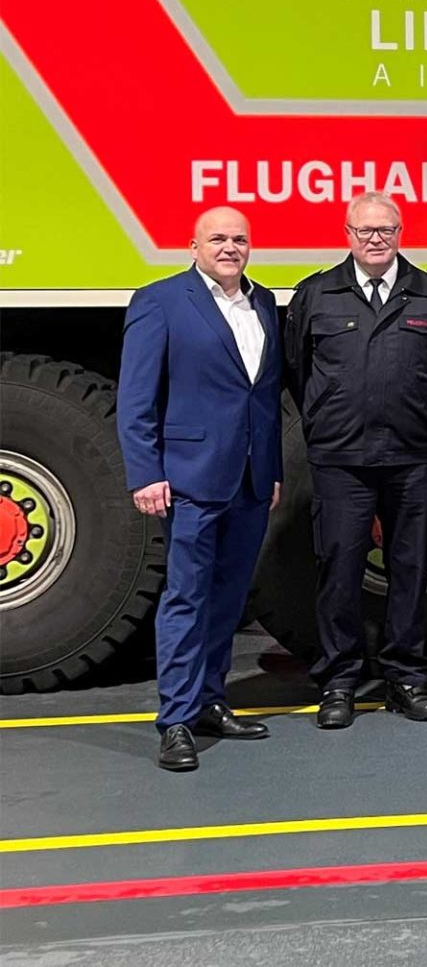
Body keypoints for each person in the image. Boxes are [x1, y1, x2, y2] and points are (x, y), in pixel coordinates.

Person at [284, 191, 427, 730]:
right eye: (365, 230)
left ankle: (406, 677)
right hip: (342, 460)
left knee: (411, 568)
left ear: (401, 231)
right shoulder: (316, 295)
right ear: (347, 234)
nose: (376, 239)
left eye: (385, 229)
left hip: (411, 456)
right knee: (339, 568)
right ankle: (339, 682)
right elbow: (296, 370)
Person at [119, 206, 283, 772]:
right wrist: (145, 472)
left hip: (251, 479)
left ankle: (212, 700)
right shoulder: (160, 301)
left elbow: (262, 397)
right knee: (187, 597)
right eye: (218, 238)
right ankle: (177, 720)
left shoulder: (263, 303)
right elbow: (137, 398)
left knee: (229, 600)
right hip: (189, 477)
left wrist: (274, 469)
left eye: (239, 239)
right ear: (193, 246)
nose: (230, 247)